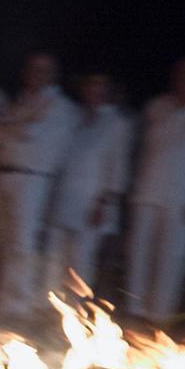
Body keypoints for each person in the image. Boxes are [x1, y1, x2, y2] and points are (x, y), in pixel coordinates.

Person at [125, 57, 185, 323]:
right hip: (148, 191)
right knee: (139, 256)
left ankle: (158, 318)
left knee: (172, 261)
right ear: (175, 76)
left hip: (184, 200)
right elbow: (139, 150)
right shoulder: (156, 107)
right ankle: (135, 314)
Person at [0, 52, 78, 317]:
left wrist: (11, 127)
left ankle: (20, 306)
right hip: (5, 174)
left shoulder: (60, 105)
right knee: (5, 241)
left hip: (32, 177)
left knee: (22, 243)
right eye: (33, 68)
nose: (36, 74)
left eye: (43, 69)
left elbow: (31, 134)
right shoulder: (23, 101)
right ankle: (7, 301)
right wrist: (15, 126)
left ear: (53, 74)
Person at [42, 72, 132, 292]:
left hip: (92, 201)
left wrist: (104, 203)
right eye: (91, 85)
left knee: (82, 259)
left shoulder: (116, 122)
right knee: (54, 256)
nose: (95, 90)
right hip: (64, 195)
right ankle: (48, 304)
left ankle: (77, 310)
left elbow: (117, 165)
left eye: (100, 86)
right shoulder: (74, 117)